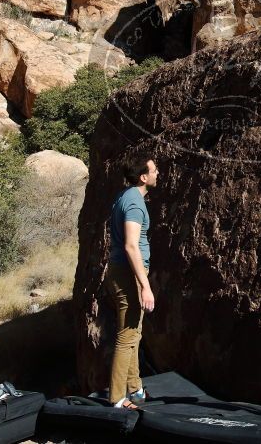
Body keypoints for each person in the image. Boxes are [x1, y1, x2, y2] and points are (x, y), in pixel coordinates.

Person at [105, 155, 159, 409]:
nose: (158, 172)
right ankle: (117, 398)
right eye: (154, 169)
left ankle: (135, 389)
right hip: (128, 273)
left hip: (121, 271)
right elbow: (130, 245)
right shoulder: (135, 203)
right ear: (143, 177)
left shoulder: (124, 196)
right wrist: (145, 286)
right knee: (127, 335)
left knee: (134, 332)